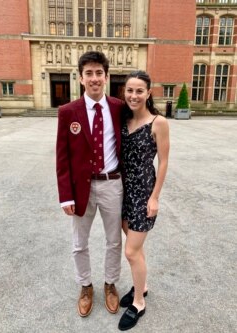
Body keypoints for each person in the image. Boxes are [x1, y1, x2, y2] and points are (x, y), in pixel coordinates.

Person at [56, 51, 123, 318]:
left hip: (112, 185)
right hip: (81, 188)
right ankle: (85, 286)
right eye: (89, 73)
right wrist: (65, 196)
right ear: (81, 78)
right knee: (79, 243)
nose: (94, 78)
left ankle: (110, 283)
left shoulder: (119, 108)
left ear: (106, 77)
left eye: (99, 73)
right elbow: (62, 157)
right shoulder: (67, 112)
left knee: (114, 241)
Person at [118, 71, 170, 331]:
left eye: (139, 91)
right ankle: (144, 285)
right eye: (130, 90)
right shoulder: (123, 118)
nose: (134, 95)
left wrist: (155, 197)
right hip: (122, 191)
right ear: (124, 92)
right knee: (135, 248)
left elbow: (163, 162)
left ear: (149, 93)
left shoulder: (158, 123)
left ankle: (138, 302)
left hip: (142, 193)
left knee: (130, 251)